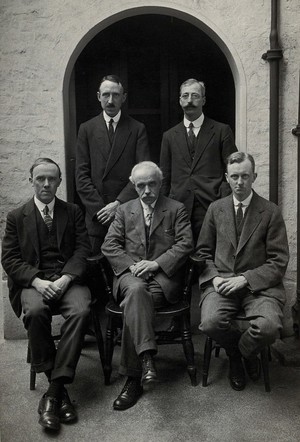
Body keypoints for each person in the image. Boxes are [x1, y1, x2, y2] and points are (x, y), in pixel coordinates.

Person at [1, 158, 92, 431]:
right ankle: (59, 394)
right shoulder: (17, 217)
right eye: (40, 178)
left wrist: (66, 278)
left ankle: (52, 392)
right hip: (33, 285)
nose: (46, 184)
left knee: (81, 310)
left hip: (67, 281)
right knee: (36, 311)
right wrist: (37, 282)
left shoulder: (72, 211)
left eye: (52, 179)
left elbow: (83, 250)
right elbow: (10, 259)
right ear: (31, 180)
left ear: (60, 182)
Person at [101, 161, 193, 410]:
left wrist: (155, 265)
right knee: (136, 291)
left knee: (136, 301)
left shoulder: (176, 209)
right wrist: (133, 266)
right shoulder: (124, 210)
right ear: (134, 186)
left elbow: (185, 244)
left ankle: (134, 377)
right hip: (130, 277)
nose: (147, 190)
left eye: (152, 184)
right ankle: (146, 359)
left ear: (160, 183)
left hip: (161, 280)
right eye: (141, 185)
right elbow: (109, 246)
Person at [196, 152, 289, 391]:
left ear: (254, 176)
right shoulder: (216, 209)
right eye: (235, 176)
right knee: (209, 323)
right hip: (222, 285)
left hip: (259, 288)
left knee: (269, 328)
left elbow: (278, 261)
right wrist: (214, 277)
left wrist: (245, 279)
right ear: (227, 178)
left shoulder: (270, 211)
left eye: (245, 176)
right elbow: (202, 253)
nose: (240, 182)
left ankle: (244, 352)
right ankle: (237, 356)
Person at [76, 74, 150, 254]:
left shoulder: (137, 128)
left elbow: (143, 174)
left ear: (123, 98)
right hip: (97, 218)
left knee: (129, 270)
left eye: (116, 95)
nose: (110, 100)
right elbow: (81, 176)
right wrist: (101, 211)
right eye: (106, 94)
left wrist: (118, 204)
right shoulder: (86, 129)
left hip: (127, 212)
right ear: (98, 96)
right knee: (96, 272)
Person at [160, 78, 237, 242]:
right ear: (180, 101)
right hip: (178, 206)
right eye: (185, 96)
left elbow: (233, 168)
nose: (190, 101)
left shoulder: (221, 130)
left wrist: (222, 197)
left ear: (203, 100)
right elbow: (164, 176)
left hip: (211, 204)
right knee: (180, 255)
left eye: (195, 96)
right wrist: (164, 207)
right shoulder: (169, 136)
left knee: (208, 255)